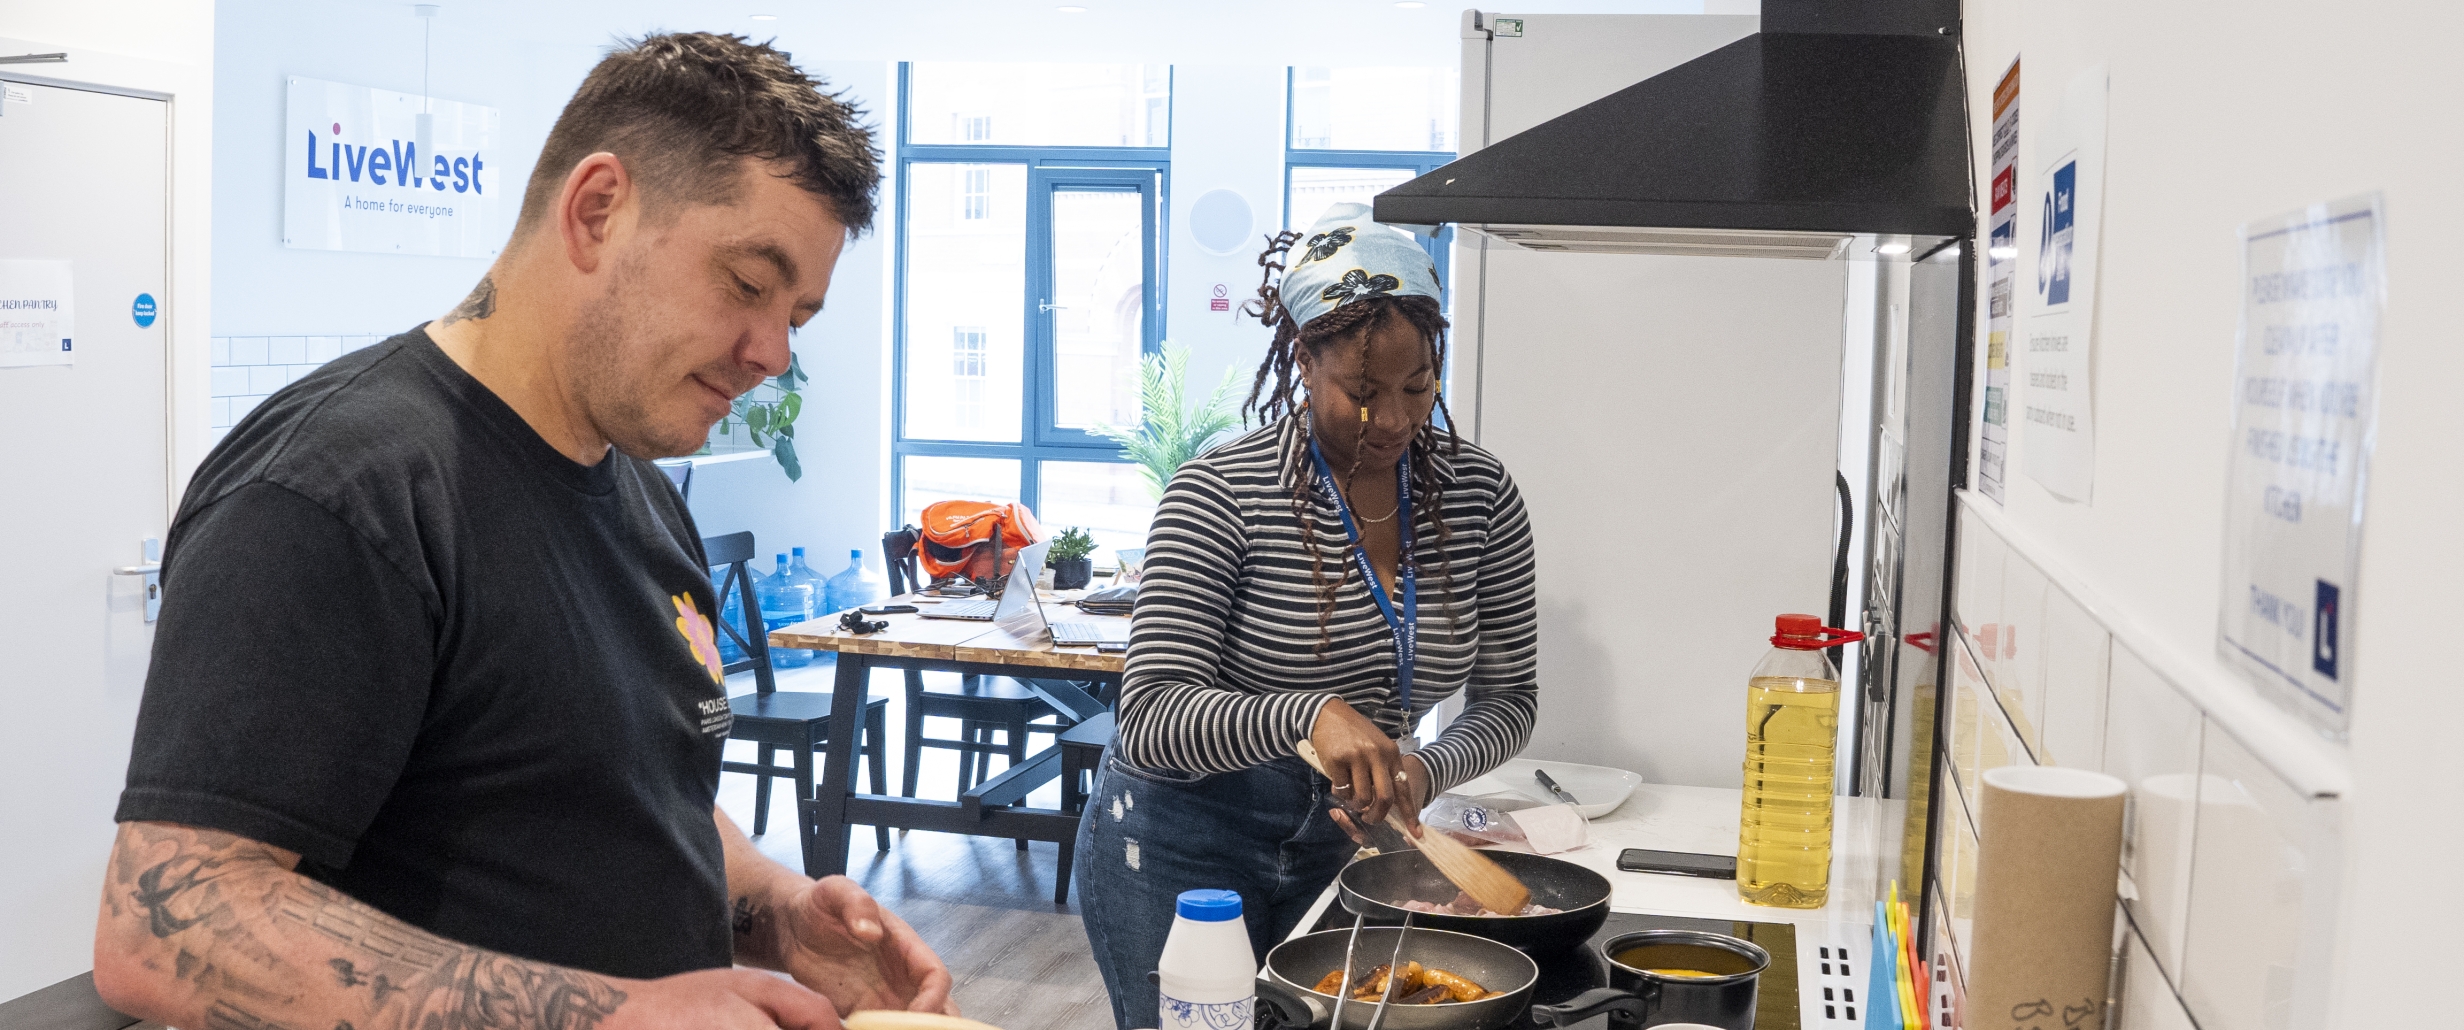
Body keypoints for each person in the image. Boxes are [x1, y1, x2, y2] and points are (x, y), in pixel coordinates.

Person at [93, 34, 952, 1030]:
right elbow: (170, 924)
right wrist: (605, 1015)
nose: (771, 352)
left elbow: (626, 790)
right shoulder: (341, 490)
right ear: (597, 210)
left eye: (798, 313)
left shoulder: (640, 490)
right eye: (747, 284)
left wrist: (774, 908)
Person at [1074, 203, 1541, 1028]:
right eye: (1362, 392)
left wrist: (1425, 769)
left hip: (1342, 842)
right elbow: (1147, 719)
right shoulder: (1220, 493)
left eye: (1418, 387)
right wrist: (1310, 714)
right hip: (1179, 844)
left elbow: (1510, 700)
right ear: (1303, 361)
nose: (1395, 419)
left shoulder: (1480, 496)